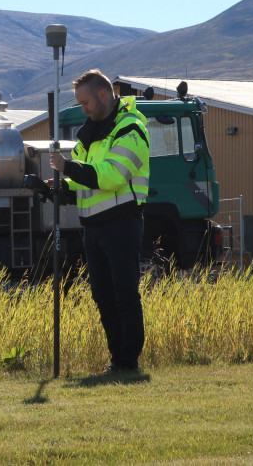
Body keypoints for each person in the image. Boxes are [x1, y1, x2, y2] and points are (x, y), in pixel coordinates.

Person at [49, 69, 150, 373]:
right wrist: (58, 188)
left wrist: (68, 167)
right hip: (93, 228)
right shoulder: (91, 133)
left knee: (124, 295)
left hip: (122, 225)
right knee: (103, 297)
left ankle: (127, 362)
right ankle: (117, 359)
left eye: (85, 102)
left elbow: (112, 176)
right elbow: (84, 181)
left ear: (103, 95)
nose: (84, 109)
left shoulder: (130, 130)